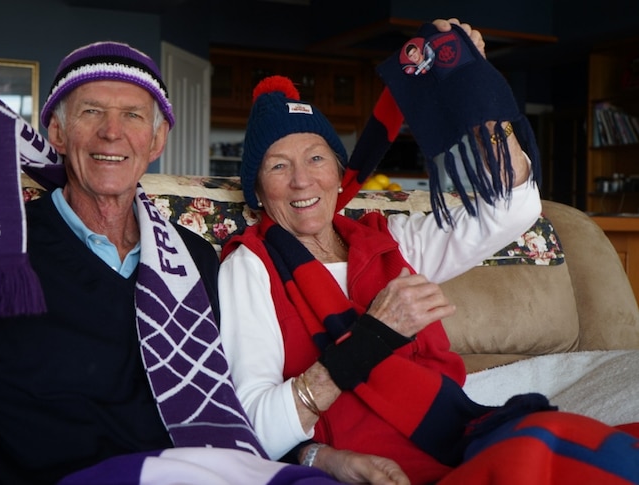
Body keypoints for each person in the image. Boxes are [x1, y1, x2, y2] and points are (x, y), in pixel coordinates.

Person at [0, 40, 412, 485]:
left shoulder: (198, 261)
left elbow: (232, 410)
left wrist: (316, 458)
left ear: (157, 141)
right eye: (91, 111)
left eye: (134, 115)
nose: (112, 132)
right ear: (59, 135)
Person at [218, 19, 639, 485]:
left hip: (452, 434)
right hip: (363, 461)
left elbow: (513, 208)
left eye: (316, 158)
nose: (302, 180)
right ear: (257, 189)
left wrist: (469, 85)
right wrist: (369, 346)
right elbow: (251, 424)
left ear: (339, 174)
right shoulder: (249, 267)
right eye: (279, 166)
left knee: (587, 449)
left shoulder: (390, 240)